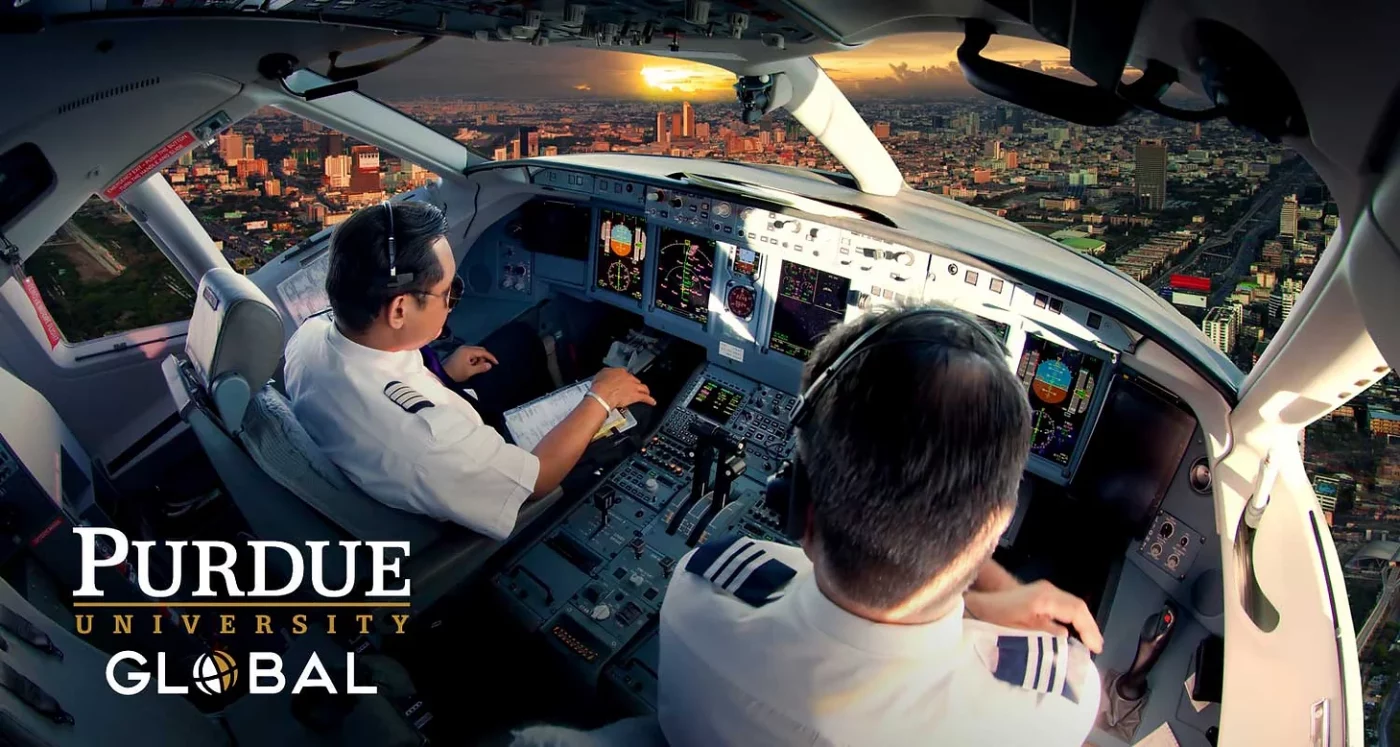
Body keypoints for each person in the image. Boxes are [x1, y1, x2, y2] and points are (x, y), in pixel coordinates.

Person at [658, 305, 1104, 746]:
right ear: (994, 529)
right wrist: (985, 601)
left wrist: (976, 608)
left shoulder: (699, 591)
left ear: (799, 508)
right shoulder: (1054, 701)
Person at [284, 201, 655, 541]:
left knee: (518, 343)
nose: (451, 304)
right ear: (398, 310)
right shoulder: (428, 443)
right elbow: (538, 480)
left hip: (410, 438)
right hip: (466, 498)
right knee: (640, 413)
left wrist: (442, 373)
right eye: (448, 292)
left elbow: (395, 384)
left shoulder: (308, 337)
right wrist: (600, 397)